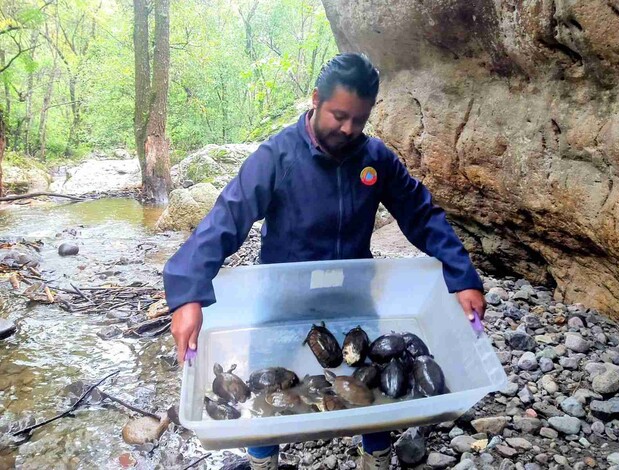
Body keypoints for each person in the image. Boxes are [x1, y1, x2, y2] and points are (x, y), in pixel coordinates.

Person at [164, 53, 486, 470]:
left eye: (360, 119)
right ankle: (264, 461)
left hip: (353, 296)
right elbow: (226, 219)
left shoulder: (375, 159)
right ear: (315, 99)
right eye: (339, 115)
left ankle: (376, 455)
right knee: (265, 387)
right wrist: (187, 292)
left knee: (372, 378)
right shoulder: (276, 157)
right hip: (280, 298)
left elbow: (422, 215)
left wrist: (462, 277)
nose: (349, 129)